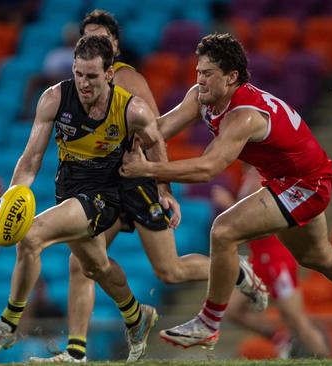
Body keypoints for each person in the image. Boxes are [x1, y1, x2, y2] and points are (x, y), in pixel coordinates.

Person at [120, 33, 332, 358]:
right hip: (284, 177)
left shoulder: (243, 115)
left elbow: (208, 168)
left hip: (306, 182)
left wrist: (145, 171)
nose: (199, 79)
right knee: (317, 256)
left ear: (231, 77)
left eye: (208, 73)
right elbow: (158, 130)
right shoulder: (202, 96)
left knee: (224, 230)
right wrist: (116, 143)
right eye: (198, 71)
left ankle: (208, 322)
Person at [29, 9, 268, 363]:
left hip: (136, 182)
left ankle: (238, 270)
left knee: (169, 271)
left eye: (103, 38)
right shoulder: (74, 87)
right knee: (83, 261)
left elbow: (156, 135)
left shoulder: (129, 80)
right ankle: (76, 352)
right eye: (88, 39)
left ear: (115, 47)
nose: (96, 45)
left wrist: (163, 186)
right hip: (104, 187)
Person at [0, 34, 167, 362]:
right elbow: (32, 157)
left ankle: (7, 325)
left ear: (108, 74)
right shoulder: (54, 99)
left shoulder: (132, 110)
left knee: (31, 236)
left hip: (105, 195)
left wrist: (164, 189)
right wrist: (14, 193)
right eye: (78, 74)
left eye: (91, 76)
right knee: (96, 265)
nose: (83, 83)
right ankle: (136, 316)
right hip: (69, 190)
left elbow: (157, 142)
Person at [213, 166, 330, 358]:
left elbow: (255, 221)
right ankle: (280, 340)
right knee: (232, 309)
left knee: (296, 319)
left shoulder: (265, 177)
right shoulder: (249, 176)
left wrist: (228, 205)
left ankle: (327, 359)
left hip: (276, 257)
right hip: (258, 258)